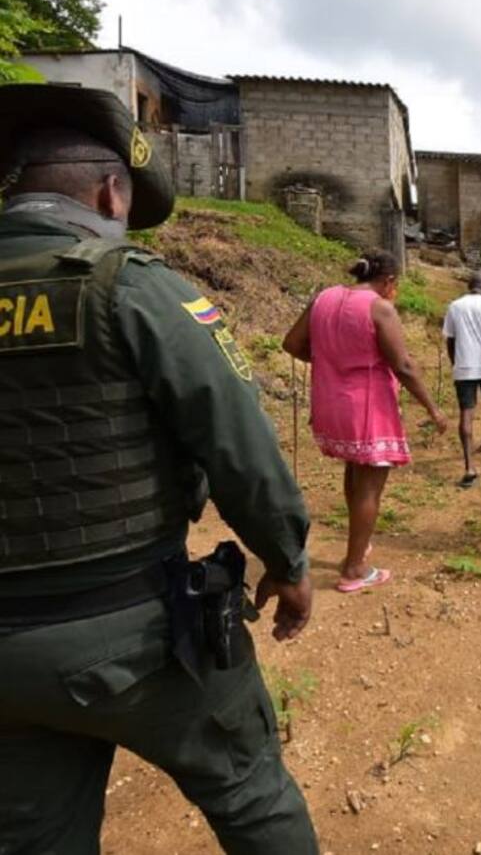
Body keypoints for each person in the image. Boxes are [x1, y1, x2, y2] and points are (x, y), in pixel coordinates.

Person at [0, 84, 318, 853]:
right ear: (113, 190)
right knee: (252, 795)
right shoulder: (128, 286)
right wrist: (288, 558)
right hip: (130, 630)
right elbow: (237, 440)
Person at [283, 251, 448, 592]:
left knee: (355, 471)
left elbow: (292, 344)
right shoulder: (379, 308)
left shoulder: (323, 298)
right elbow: (402, 365)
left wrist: (330, 363)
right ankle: (355, 568)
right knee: (370, 485)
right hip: (368, 407)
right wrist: (433, 408)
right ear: (388, 281)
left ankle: (360, 541)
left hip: (331, 403)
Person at [443, 270, 481, 488]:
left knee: (466, 413)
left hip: (464, 366)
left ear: (470, 286)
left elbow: (450, 340)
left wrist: (455, 362)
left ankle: (469, 467)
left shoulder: (455, 306)